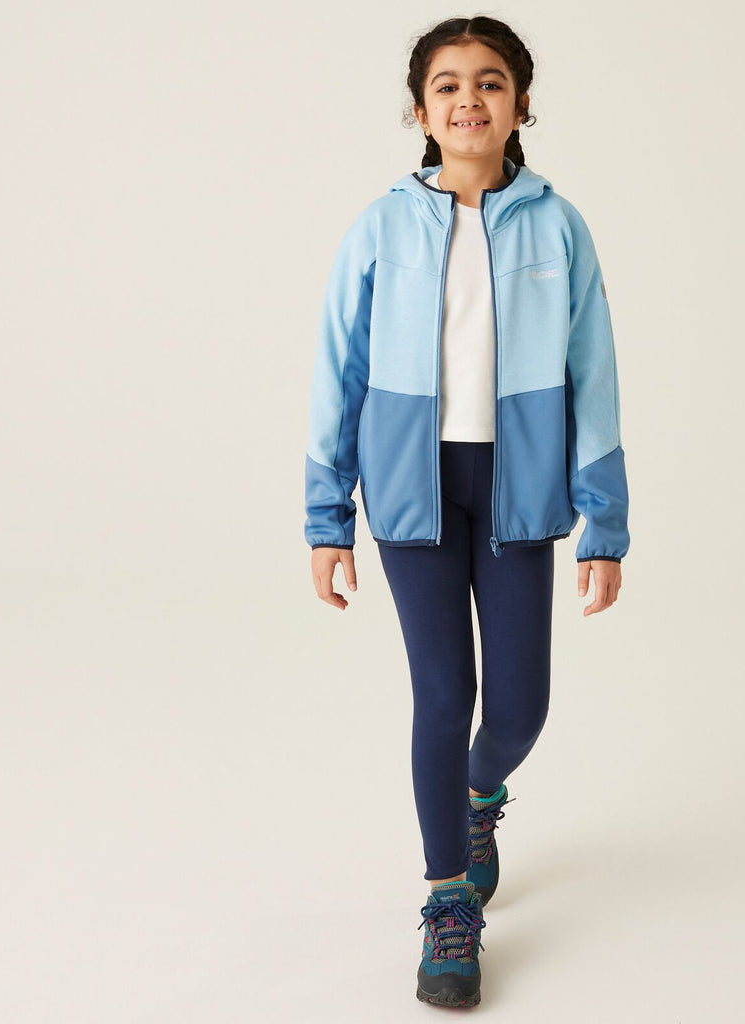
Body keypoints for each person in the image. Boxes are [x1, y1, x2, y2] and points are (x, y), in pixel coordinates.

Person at [303, 15, 630, 1009]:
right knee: (444, 697)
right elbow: (338, 371)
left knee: (519, 707)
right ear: (419, 110)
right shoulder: (380, 227)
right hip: (412, 490)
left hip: (518, 491)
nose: (468, 99)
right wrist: (326, 517)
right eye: (447, 85)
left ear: (520, 105)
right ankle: (449, 901)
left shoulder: (558, 226)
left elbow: (594, 376)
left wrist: (604, 522)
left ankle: (477, 797)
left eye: (489, 82)